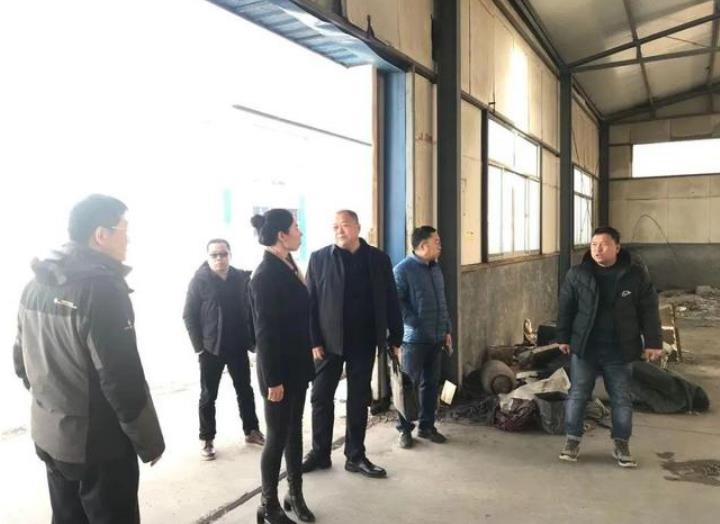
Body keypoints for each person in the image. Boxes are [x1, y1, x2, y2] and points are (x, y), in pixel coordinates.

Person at [13, 194, 165, 524]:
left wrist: (56, 406)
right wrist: (150, 443)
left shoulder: (36, 283)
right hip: (98, 447)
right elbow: (122, 380)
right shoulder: (102, 290)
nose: (128, 239)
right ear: (101, 235)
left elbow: (21, 364)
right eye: (124, 231)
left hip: (51, 437)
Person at [303, 210, 403, 479]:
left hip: (364, 340)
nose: (339, 230)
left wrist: (396, 337)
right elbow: (309, 303)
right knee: (320, 397)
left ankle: (355, 456)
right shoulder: (319, 259)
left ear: (358, 227)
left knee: (358, 399)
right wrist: (313, 340)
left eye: (345, 225)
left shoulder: (378, 259)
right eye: (335, 226)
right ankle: (320, 453)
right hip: (327, 343)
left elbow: (391, 299)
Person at [557, 225, 663, 468]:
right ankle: (572, 441)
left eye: (604, 245)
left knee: (621, 398)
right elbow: (566, 308)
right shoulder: (578, 274)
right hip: (586, 348)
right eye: (594, 245)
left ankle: (621, 444)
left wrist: (653, 342)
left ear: (617, 247)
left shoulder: (635, 275)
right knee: (578, 394)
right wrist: (563, 337)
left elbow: (649, 310)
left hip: (620, 349)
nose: (598, 249)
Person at [249, 209, 315, 524]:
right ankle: (268, 504)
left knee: (294, 432)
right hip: (277, 371)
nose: (300, 232)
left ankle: (295, 494)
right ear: (281, 235)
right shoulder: (265, 275)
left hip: (296, 366)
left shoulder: (288, 264)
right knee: (276, 437)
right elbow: (264, 333)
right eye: (295, 227)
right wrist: (274, 380)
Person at [183, 238, 264, 460]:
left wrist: (253, 340)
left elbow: (252, 310)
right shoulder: (199, 281)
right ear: (208, 257)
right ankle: (207, 438)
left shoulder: (240, 279)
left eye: (223, 254)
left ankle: (251, 431)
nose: (219, 258)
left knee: (245, 390)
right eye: (214, 255)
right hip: (211, 348)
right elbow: (188, 315)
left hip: (237, 345)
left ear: (230, 255)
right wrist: (199, 347)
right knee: (208, 395)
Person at [393, 225, 452, 449]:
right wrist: (416, 323)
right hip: (413, 340)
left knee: (430, 384)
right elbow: (397, 302)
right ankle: (404, 430)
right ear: (423, 245)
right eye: (436, 241)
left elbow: (442, 302)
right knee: (407, 386)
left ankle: (427, 426)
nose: (440, 245)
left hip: (436, 337)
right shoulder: (402, 270)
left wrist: (447, 330)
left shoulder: (435, 269)